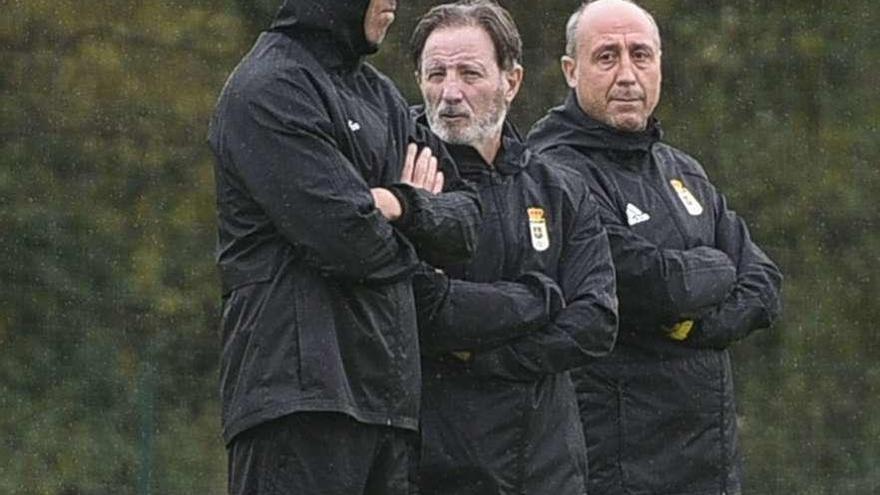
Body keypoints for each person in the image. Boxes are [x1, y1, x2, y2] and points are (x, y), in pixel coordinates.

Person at [207, 1, 483, 493]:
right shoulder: (270, 88)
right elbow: (349, 241)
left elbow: (466, 225)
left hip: (390, 407)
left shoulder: (381, 96)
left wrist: (401, 204)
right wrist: (415, 241)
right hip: (299, 402)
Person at [528, 1, 784, 494]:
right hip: (615, 463)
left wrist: (695, 326)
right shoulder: (553, 173)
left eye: (640, 55)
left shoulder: (682, 169)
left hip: (711, 466)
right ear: (570, 70)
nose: (627, 74)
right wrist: (711, 272)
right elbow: (649, 283)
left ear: (660, 66)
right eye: (607, 57)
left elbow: (763, 283)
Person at [408, 2, 619, 494]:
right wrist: (540, 302)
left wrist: (487, 358)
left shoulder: (559, 188)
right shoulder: (402, 181)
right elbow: (425, 312)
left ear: (512, 80)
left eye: (469, 73)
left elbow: (595, 321)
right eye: (435, 74)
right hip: (434, 467)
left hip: (550, 469)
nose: (450, 93)